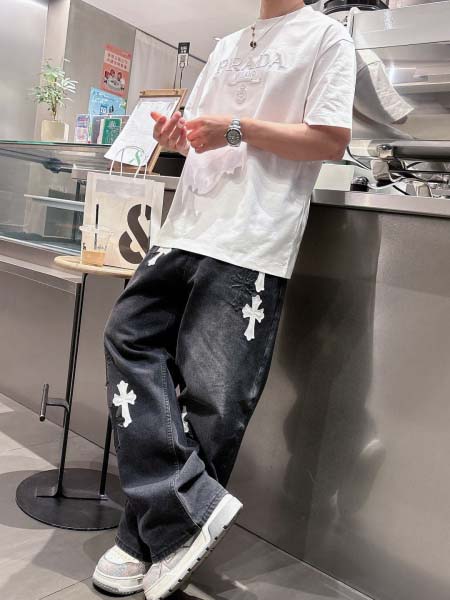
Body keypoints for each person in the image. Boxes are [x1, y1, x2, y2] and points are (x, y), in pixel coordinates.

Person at [93, 1, 356, 598]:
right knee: (126, 335)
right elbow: (204, 140)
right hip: (185, 228)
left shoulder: (327, 38)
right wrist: (179, 138)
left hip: (251, 238)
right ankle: (178, 521)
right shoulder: (228, 43)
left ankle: (142, 540)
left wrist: (235, 128)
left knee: (213, 396)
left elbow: (331, 139)